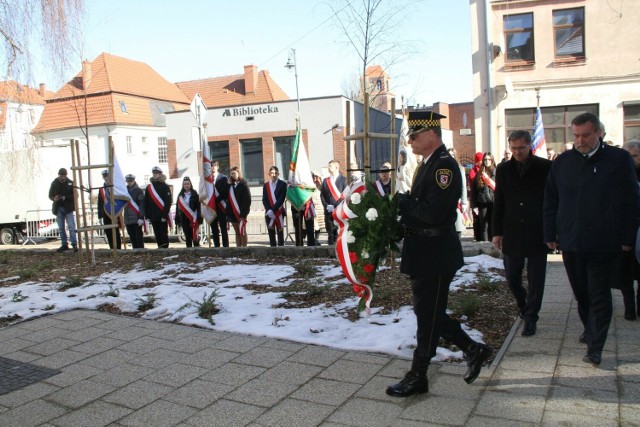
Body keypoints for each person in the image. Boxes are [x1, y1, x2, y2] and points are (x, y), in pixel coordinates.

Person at [386, 111, 492, 398]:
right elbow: (419, 218)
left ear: (431, 134)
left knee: (427, 315)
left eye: (414, 135)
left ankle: (418, 374)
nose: (410, 140)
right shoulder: (429, 164)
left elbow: (433, 214)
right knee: (427, 312)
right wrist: (398, 231)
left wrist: (403, 204)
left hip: (435, 254)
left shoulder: (443, 167)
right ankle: (473, 350)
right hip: (424, 251)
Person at [544, 112, 640, 366]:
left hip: (604, 241)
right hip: (571, 240)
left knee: (598, 293)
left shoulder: (618, 160)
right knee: (581, 293)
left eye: (585, 135)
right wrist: (549, 233)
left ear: (599, 133)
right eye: (575, 135)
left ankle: (596, 346)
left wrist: (627, 236)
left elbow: (631, 200)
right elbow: (551, 200)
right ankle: (590, 328)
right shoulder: (563, 162)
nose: (580, 140)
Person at [492, 130, 552, 336]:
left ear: (530, 147)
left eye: (521, 148)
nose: (517, 152)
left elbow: (553, 200)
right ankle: (522, 302)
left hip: (537, 230)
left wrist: (552, 231)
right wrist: (496, 232)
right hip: (512, 230)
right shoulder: (503, 169)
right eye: (514, 148)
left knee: (537, 278)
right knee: (512, 276)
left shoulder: (545, 167)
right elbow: (499, 201)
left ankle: (531, 317)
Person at [616, 139, 640, 320]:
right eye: (628, 156)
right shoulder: (618, 174)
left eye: (635, 156)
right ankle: (629, 306)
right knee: (625, 272)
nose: (631, 160)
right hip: (623, 229)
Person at [48, 167, 78, 252]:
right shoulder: (54, 183)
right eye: (61, 176)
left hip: (68, 208)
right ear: (58, 175)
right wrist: (54, 198)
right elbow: (50, 195)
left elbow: (75, 196)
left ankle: (74, 244)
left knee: (71, 227)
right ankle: (64, 244)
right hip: (58, 208)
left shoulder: (71, 183)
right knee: (61, 228)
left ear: (66, 175)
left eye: (64, 176)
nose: (62, 177)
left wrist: (66, 197)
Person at [470, 152, 496, 241]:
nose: (487, 161)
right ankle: (485, 247)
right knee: (484, 226)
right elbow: (474, 191)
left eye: (489, 159)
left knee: (493, 226)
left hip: (494, 203)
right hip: (482, 202)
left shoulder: (496, 173)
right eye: (485, 159)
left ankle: (493, 247)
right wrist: (474, 205)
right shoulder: (479, 174)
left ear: (492, 160)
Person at [144, 166, 172, 248]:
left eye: (156, 173)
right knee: (157, 234)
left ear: (160, 174)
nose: (155, 175)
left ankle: (165, 249)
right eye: (154, 173)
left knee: (163, 233)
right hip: (153, 215)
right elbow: (146, 202)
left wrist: (164, 215)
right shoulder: (149, 187)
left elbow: (168, 202)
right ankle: (160, 248)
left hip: (161, 215)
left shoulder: (165, 186)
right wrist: (147, 215)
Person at [320, 160, 347, 245]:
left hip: (339, 209)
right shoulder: (326, 180)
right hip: (328, 210)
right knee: (330, 232)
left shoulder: (344, 180)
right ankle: (330, 250)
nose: (328, 168)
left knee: (340, 232)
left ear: (336, 167)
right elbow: (322, 195)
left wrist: (337, 206)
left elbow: (345, 195)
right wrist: (326, 205)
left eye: (330, 166)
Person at [97, 169, 122, 250]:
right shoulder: (101, 189)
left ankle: (118, 248)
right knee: (108, 231)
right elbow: (100, 203)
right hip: (105, 213)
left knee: (115, 231)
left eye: (107, 175)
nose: (106, 177)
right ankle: (111, 247)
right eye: (104, 176)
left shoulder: (114, 187)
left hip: (114, 212)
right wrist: (100, 216)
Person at [262, 166, 287, 247]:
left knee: (280, 232)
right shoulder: (266, 185)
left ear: (278, 174)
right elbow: (264, 199)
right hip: (269, 213)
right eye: (272, 173)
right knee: (271, 232)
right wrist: (268, 210)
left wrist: (273, 210)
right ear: (269, 174)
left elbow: (281, 199)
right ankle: (272, 249)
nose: (274, 175)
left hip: (279, 212)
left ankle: (281, 249)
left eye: (276, 173)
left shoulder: (283, 184)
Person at [227, 166, 251, 247]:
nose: (232, 175)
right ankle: (238, 249)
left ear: (238, 173)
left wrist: (244, 214)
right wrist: (228, 184)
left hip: (241, 212)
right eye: (231, 174)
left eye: (234, 173)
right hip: (232, 212)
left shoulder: (244, 184)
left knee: (242, 231)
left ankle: (244, 248)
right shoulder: (230, 185)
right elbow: (226, 196)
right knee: (237, 232)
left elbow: (247, 200)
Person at [175, 176, 202, 248]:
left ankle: (197, 250)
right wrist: (177, 219)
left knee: (195, 235)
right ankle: (189, 251)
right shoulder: (180, 195)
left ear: (190, 185)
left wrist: (199, 218)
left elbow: (199, 207)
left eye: (188, 184)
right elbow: (177, 208)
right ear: (183, 185)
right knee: (187, 235)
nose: (186, 185)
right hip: (184, 218)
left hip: (193, 218)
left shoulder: (195, 194)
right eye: (185, 184)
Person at [448, 148, 469, 237]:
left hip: (457, 201)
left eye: (453, 155)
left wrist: (464, 202)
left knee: (457, 226)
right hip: (446, 201)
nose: (451, 157)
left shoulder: (460, 169)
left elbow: (463, 186)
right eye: (449, 155)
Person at [210, 161, 229, 248]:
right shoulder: (208, 179)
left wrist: (215, 201)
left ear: (217, 167)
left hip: (221, 206)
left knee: (223, 228)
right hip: (212, 208)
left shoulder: (223, 178)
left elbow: (224, 193)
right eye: (211, 166)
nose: (212, 168)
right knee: (214, 229)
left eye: (214, 166)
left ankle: (225, 247)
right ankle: (216, 246)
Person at [124, 174, 145, 249]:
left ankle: (141, 251)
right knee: (132, 236)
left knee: (138, 236)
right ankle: (135, 251)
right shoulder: (124, 190)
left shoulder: (138, 190)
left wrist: (141, 217)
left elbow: (142, 204)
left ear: (134, 181)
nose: (129, 182)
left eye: (131, 181)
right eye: (128, 181)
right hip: (128, 218)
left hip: (136, 217)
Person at [468, 152, 483, 240]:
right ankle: (477, 236)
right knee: (477, 218)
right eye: (480, 160)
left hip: (483, 198)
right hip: (476, 198)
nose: (481, 162)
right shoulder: (473, 172)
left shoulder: (484, 170)